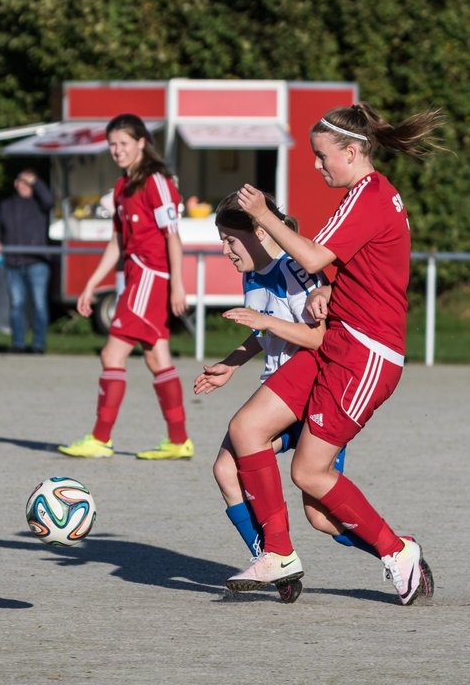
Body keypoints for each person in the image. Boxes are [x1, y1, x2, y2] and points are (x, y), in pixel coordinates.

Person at [222, 102, 446, 605]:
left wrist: (262, 215)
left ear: (352, 151)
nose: (318, 166)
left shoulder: (369, 196)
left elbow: (313, 256)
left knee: (309, 477)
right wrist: (331, 291)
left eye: (323, 158)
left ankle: (397, 552)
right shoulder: (367, 195)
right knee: (245, 431)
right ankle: (277, 554)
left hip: (366, 355)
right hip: (338, 342)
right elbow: (351, 263)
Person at [194, 193, 381, 600]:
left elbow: (318, 338)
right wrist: (231, 363)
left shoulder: (296, 269)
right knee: (226, 471)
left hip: (315, 396)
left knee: (322, 517)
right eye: (222, 240)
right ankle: (276, 562)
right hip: (276, 397)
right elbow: (264, 333)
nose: (225, 250)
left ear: (261, 232)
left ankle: (395, 551)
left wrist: (264, 321)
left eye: (231, 240)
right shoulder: (252, 273)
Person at [59, 113, 193, 460]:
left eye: (123, 144)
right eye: (112, 145)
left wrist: (178, 284)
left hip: (151, 276)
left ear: (142, 143)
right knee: (156, 356)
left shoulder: (157, 181)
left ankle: (100, 438)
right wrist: (91, 283)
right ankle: (179, 441)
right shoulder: (121, 187)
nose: (117, 151)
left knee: (111, 354)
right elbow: (118, 242)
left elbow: (173, 237)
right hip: (135, 276)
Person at [0, 168, 54, 354]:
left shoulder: (40, 204)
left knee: (39, 305)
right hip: (13, 263)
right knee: (16, 305)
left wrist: (35, 182)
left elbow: (49, 200)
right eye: (22, 182)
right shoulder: (7, 206)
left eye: (29, 183)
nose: (25, 186)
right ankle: (18, 343)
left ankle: (38, 345)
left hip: (37, 262)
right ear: (16, 184)